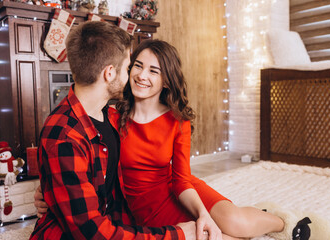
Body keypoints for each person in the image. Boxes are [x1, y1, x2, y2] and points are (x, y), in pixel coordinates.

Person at [35, 37, 312, 240]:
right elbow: (77, 160)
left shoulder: (178, 120)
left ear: (166, 80)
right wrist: (46, 191)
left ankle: (283, 221)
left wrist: (202, 212)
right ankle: (257, 215)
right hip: (139, 206)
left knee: (234, 222)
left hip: (176, 189)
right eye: (137, 66)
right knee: (219, 237)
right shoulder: (109, 115)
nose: (142, 76)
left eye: (153, 71)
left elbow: (181, 179)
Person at [30, 21, 197, 240]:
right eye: (129, 68)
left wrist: (50, 189)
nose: (133, 76)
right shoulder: (63, 135)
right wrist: (176, 235)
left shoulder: (109, 116)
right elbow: (93, 232)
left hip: (117, 222)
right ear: (109, 73)